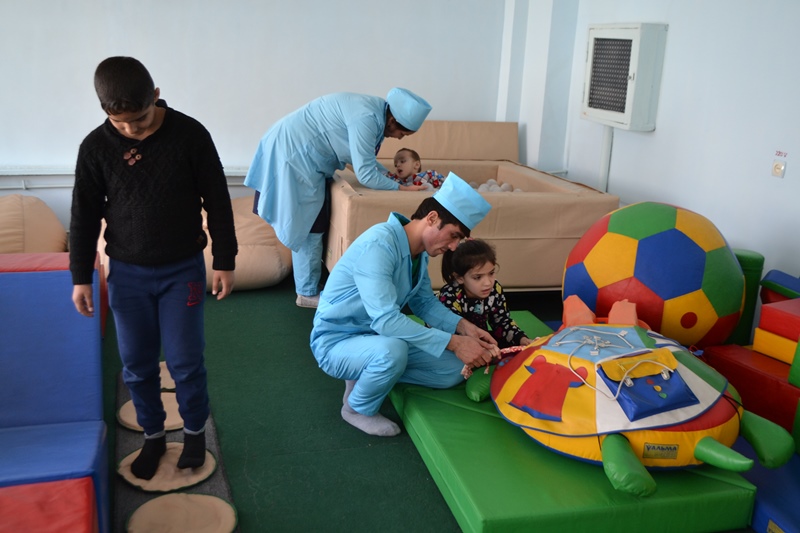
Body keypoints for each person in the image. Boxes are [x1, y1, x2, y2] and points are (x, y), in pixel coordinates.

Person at [69, 56, 238, 480]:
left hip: (182, 271)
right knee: (137, 364)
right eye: (120, 122)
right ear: (105, 111)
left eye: (140, 119)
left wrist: (224, 260)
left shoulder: (191, 135)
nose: (132, 130)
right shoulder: (95, 147)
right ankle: (153, 436)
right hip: (127, 274)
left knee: (185, 362)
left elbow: (218, 200)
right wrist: (80, 277)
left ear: (156, 96)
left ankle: (195, 433)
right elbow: (83, 216)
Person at [310, 173, 500, 437]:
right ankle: (355, 409)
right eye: (453, 236)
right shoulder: (379, 244)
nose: (454, 247)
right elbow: (386, 320)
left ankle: (371, 372)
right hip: (336, 342)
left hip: (378, 337)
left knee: (454, 370)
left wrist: (464, 327)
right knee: (393, 351)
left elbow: (424, 303)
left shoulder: (418, 254)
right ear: (432, 218)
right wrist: (454, 342)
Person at [244, 88, 432, 309]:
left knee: (313, 219)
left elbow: (362, 157)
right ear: (393, 121)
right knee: (309, 225)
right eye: (403, 133)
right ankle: (306, 292)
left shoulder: (375, 112)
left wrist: (389, 176)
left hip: (296, 151)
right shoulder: (367, 118)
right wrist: (400, 188)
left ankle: (308, 285)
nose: (400, 138)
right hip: (294, 155)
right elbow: (365, 173)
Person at [438, 239, 532, 349]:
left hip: (480, 336)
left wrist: (521, 339)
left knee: (512, 344)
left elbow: (501, 322)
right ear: (459, 278)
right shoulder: (449, 295)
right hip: (452, 342)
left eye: (491, 273)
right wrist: (483, 348)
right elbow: (451, 335)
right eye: (478, 277)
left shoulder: (495, 289)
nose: (488, 283)